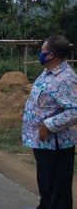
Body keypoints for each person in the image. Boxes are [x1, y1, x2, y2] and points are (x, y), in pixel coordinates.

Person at [22, 35, 77, 209]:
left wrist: (48, 125)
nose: (41, 53)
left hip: (56, 143)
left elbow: (74, 110)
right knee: (46, 182)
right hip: (43, 142)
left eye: (43, 50)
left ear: (51, 55)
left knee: (57, 187)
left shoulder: (65, 78)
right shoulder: (49, 72)